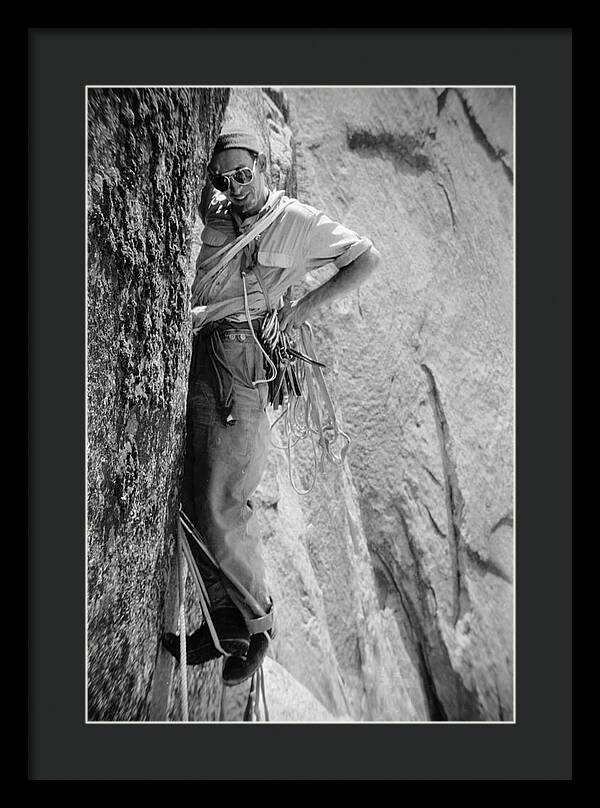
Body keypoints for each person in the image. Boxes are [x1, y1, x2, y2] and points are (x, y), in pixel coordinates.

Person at [163, 128, 382, 685]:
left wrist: (301, 310)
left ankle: (257, 627)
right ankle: (224, 622)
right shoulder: (218, 214)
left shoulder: (296, 221)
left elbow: (365, 258)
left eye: (243, 174)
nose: (235, 187)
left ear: (263, 167)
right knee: (195, 488)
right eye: (224, 179)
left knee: (223, 498)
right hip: (208, 348)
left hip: (241, 359)